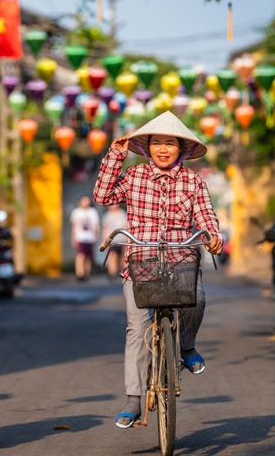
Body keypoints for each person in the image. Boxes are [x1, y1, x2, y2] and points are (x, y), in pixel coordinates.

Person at [92, 110, 223, 430]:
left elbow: (206, 216)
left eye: (170, 144)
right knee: (137, 328)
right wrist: (115, 154)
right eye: (157, 143)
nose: (163, 149)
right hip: (140, 264)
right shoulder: (134, 176)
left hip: (182, 262)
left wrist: (213, 235)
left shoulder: (193, 181)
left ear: (181, 149)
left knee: (199, 300)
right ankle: (133, 400)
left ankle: (187, 346)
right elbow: (102, 195)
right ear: (147, 147)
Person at [70, 195, 100, 281]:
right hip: (80, 237)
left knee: (88, 257)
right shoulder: (76, 212)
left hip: (90, 237)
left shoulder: (92, 212)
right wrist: (73, 237)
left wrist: (96, 235)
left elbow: (96, 225)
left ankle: (87, 273)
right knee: (80, 255)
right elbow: (74, 225)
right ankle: (79, 273)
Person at [101, 204, 128, 279]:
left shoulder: (122, 214)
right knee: (112, 256)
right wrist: (105, 241)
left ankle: (121, 271)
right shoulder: (107, 215)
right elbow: (105, 228)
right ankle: (112, 273)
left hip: (122, 239)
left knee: (122, 257)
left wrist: (126, 238)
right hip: (112, 240)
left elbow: (126, 226)